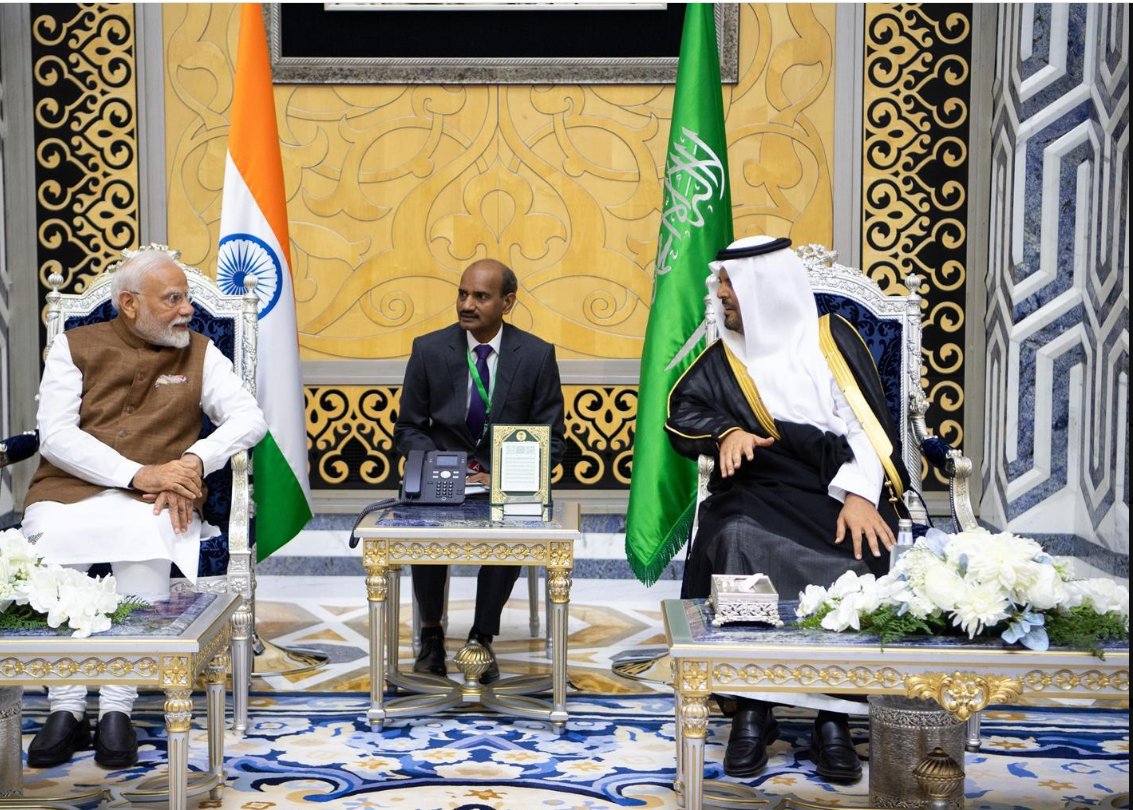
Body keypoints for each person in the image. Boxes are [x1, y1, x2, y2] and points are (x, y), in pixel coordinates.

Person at [665, 235, 908, 784]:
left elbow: (866, 429)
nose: (720, 294)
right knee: (735, 538)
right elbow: (683, 412)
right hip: (755, 488)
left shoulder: (831, 339)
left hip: (832, 486)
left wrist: (860, 496)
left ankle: (834, 714)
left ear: (764, 288)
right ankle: (753, 707)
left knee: (858, 552)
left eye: (729, 283)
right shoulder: (724, 357)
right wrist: (726, 432)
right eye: (721, 282)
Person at [21, 248, 267, 768]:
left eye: (187, 298)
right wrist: (136, 474)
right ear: (130, 304)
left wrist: (193, 462)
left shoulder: (201, 352)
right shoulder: (73, 346)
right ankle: (65, 706)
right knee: (50, 546)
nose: (187, 310)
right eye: (173, 299)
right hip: (69, 489)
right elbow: (56, 436)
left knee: (147, 531)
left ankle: (117, 706)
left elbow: (249, 418)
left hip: (158, 497)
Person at [394, 258, 565, 683]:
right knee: (426, 517)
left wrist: (503, 476)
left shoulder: (536, 355)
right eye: (462, 294)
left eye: (480, 296)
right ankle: (431, 636)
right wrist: (440, 466)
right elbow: (408, 428)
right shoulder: (429, 349)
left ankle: (481, 638)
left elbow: (552, 438)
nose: (467, 304)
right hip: (443, 475)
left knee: (515, 521)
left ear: (507, 302)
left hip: (503, 482)